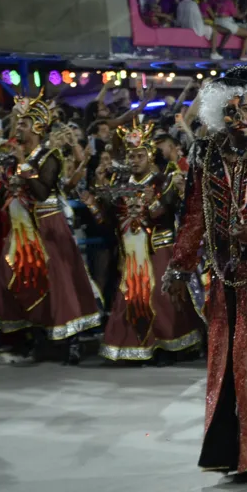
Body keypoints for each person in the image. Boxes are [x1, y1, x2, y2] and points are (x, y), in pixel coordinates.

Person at [164, 67, 247, 476]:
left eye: (246, 110)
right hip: (225, 277)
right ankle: (237, 450)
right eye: (229, 111)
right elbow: (195, 212)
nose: (238, 119)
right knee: (229, 362)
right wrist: (180, 265)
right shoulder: (209, 151)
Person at [0, 93, 102, 363]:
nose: (17, 128)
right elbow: (4, 198)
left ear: (37, 126)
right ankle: (36, 338)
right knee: (18, 280)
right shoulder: (14, 161)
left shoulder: (50, 156)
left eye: (22, 124)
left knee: (58, 283)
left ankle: (70, 342)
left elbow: (40, 192)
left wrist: (23, 166)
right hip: (21, 231)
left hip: (48, 228)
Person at [86, 122, 203, 363]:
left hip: (159, 250)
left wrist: (151, 203)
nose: (134, 160)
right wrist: (96, 195)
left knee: (162, 300)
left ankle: (168, 346)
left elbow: (169, 215)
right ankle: (135, 347)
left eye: (140, 155)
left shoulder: (164, 181)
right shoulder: (120, 185)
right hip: (130, 253)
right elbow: (107, 221)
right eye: (131, 156)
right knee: (131, 298)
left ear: (151, 157)